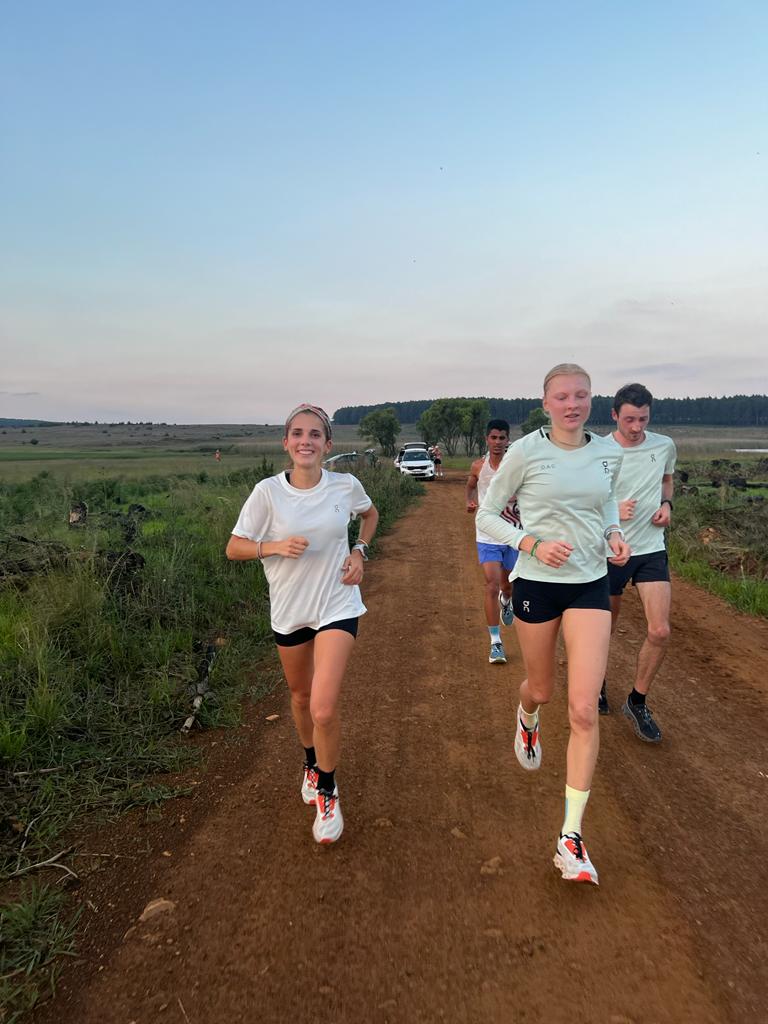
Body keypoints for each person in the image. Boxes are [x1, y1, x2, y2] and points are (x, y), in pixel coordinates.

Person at [477, 364, 630, 886]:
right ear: (545, 403)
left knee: (584, 708)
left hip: (590, 583)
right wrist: (533, 544)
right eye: (562, 396)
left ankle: (571, 837)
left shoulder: (607, 451)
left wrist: (612, 532)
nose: (572, 403)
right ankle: (526, 714)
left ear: (592, 400)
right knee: (541, 687)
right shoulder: (524, 452)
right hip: (539, 581)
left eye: (581, 395)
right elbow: (488, 516)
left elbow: (607, 498)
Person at [226, 403, 379, 844]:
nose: (306, 441)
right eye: (298, 434)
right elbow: (234, 547)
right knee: (299, 696)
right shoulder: (267, 493)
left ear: (328, 445)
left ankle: (329, 791)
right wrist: (272, 546)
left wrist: (359, 552)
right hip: (290, 609)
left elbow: (369, 516)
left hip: (337, 604)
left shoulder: (345, 485)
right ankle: (311, 761)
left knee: (323, 706)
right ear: (286, 443)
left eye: (315, 435)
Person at [599, 383, 676, 743]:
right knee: (605, 630)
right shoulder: (597, 450)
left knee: (660, 631)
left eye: (643, 419)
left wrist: (667, 506)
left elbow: (667, 480)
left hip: (650, 548)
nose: (636, 427)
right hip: (612, 550)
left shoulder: (663, 445)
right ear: (614, 415)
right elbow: (584, 503)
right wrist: (613, 509)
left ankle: (637, 700)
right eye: (629, 419)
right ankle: (597, 684)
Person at [466, 419, 520, 664]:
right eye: (493, 437)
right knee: (492, 585)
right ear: (487, 439)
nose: (498, 442)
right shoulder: (479, 466)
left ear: (508, 440)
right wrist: (469, 501)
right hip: (487, 534)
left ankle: (506, 602)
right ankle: (495, 642)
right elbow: (470, 485)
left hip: (513, 533)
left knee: (508, 586)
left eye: (502, 438)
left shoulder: (517, 466)